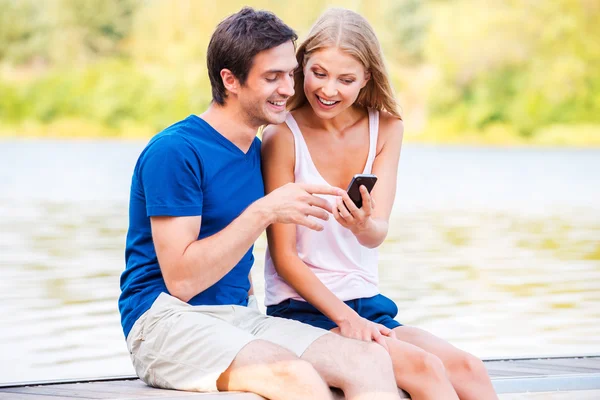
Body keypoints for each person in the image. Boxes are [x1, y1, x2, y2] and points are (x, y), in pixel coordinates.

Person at [118, 7, 404, 400]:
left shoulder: (259, 151)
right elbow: (182, 281)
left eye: (290, 73)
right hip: (165, 320)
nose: (289, 88)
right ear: (230, 80)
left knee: (369, 361)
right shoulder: (176, 151)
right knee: (294, 376)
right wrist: (266, 210)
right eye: (273, 77)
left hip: (241, 317)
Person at [262, 8, 498, 400]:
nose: (328, 89)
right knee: (424, 368)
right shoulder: (282, 135)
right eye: (318, 73)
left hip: (367, 304)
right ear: (302, 67)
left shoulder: (386, 127)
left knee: (468, 368)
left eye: (346, 79)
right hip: (303, 311)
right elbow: (284, 259)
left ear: (367, 78)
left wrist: (362, 225)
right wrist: (346, 319)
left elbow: (376, 235)